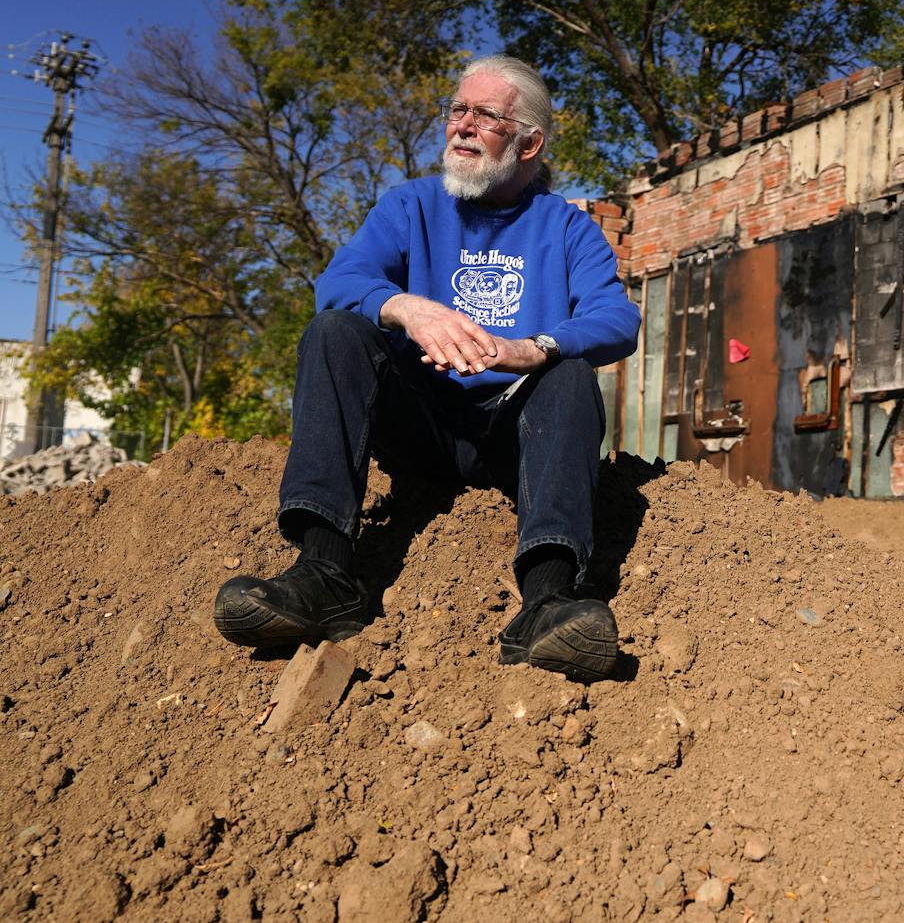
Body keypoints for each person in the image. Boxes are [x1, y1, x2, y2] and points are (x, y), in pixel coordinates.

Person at [213, 54, 641, 683]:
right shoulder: (409, 205)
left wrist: (536, 346)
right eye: (457, 110)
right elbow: (338, 282)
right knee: (335, 330)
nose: (462, 126)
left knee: (571, 374)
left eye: (486, 115)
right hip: (418, 423)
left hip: (513, 437)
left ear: (529, 142)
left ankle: (547, 603)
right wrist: (407, 307)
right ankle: (326, 572)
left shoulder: (567, 228)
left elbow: (617, 320)